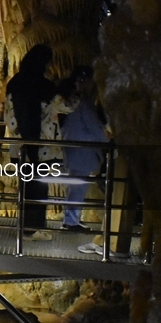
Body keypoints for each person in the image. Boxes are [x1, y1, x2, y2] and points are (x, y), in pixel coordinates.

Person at [5, 44, 58, 240]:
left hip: (19, 147)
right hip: (39, 147)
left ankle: (28, 227)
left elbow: (10, 115)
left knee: (27, 186)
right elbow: (62, 104)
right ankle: (31, 229)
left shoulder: (15, 83)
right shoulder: (40, 84)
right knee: (38, 187)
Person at [59, 66, 109, 232]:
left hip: (73, 147)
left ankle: (71, 219)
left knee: (75, 186)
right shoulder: (83, 102)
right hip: (82, 149)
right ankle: (71, 222)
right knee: (78, 186)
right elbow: (94, 126)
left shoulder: (72, 99)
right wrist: (107, 141)